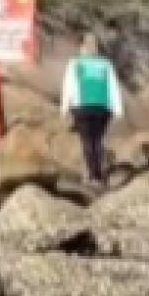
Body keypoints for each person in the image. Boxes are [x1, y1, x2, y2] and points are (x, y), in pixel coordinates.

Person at [61, 34, 124, 186]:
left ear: (82, 47)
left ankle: (94, 175)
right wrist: (118, 108)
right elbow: (113, 87)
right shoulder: (105, 64)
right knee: (97, 140)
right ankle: (98, 174)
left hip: (82, 106)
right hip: (102, 108)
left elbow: (68, 86)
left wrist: (64, 107)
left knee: (88, 141)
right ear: (96, 47)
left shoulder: (75, 63)